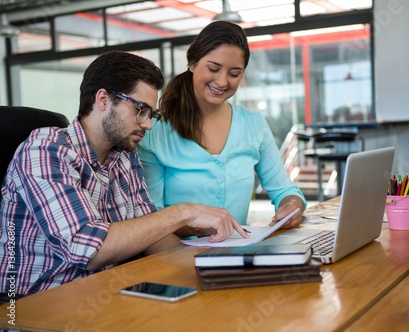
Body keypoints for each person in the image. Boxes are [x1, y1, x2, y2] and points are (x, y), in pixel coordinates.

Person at [0, 50, 247, 296]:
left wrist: (216, 267)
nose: (148, 123)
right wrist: (185, 212)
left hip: (112, 295)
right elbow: (88, 249)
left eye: (152, 114)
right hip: (43, 307)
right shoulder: (46, 149)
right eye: (141, 110)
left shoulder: (125, 156)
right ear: (104, 99)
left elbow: (153, 236)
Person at [137, 21, 306, 228]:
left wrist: (290, 206)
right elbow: (151, 216)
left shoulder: (254, 125)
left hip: (236, 254)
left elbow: (284, 190)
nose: (222, 81)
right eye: (213, 68)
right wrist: (195, 227)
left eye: (234, 74)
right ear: (192, 63)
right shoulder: (156, 131)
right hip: (174, 255)